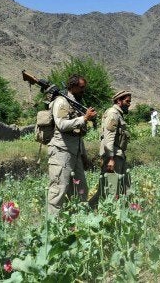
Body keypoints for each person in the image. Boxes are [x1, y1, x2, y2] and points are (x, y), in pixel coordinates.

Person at [46, 75, 97, 215]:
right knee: (59, 190)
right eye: (81, 88)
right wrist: (85, 118)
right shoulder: (61, 102)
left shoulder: (74, 103)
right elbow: (61, 125)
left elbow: (78, 134)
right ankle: (52, 225)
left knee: (81, 190)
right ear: (72, 87)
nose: (83, 91)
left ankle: (77, 222)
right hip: (61, 152)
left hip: (75, 153)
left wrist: (83, 155)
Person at [89, 90, 132, 207]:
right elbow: (109, 138)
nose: (129, 104)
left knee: (123, 187)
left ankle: (124, 212)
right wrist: (111, 158)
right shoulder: (113, 114)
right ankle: (91, 209)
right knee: (109, 189)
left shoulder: (118, 114)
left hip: (118, 155)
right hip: (113, 157)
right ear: (119, 101)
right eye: (127, 101)